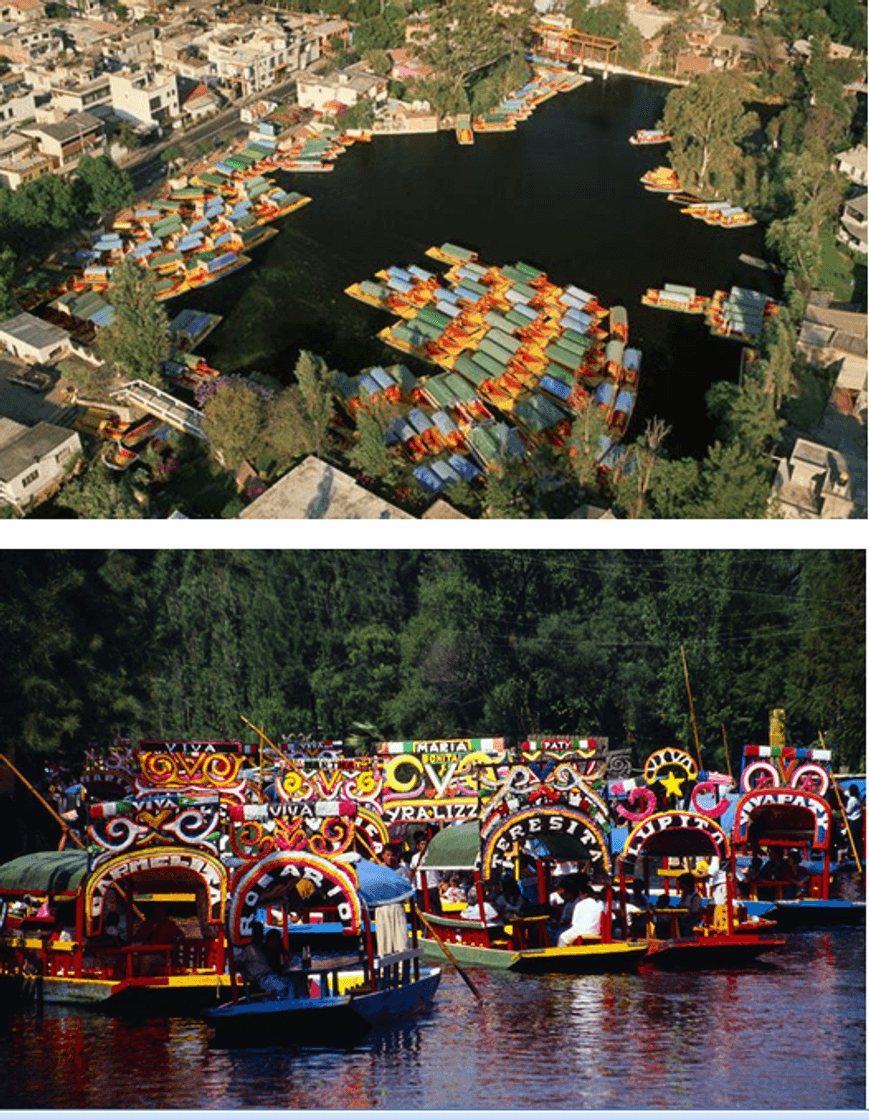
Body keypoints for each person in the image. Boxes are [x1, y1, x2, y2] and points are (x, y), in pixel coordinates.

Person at [238, 921, 292, 999]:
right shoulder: (248, 949)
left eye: (260, 932)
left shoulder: (263, 948)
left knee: (291, 982)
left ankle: (295, 1003)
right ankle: (286, 1005)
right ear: (253, 934)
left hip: (271, 975)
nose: (259, 935)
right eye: (257, 933)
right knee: (281, 987)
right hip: (260, 979)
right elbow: (238, 963)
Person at [132, 903, 183, 977]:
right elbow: (137, 938)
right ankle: (129, 982)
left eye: (159, 911)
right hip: (146, 952)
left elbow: (181, 935)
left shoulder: (168, 924)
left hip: (163, 956)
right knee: (132, 960)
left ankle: (142, 981)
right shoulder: (147, 924)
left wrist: (174, 941)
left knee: (146, 959)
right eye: (155, 911)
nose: (157, 913)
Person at [556, 876, 602, 947]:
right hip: (595, 932)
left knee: (562, 937)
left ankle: (560, 956)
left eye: (580, 894)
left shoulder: (579, 904)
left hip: (581, 932)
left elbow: (574, 924)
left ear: (585, 894)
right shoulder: (599, 905)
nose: (578, 896)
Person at [409, 836, 440, 913]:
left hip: (432, 886)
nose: (424, 846)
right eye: (422, 844)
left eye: (426, 844)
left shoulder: (433, 856)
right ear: (418, 846)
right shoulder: (415, 857)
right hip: (420, 888)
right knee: (422, 911)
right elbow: (411, 870)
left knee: (436, 910)